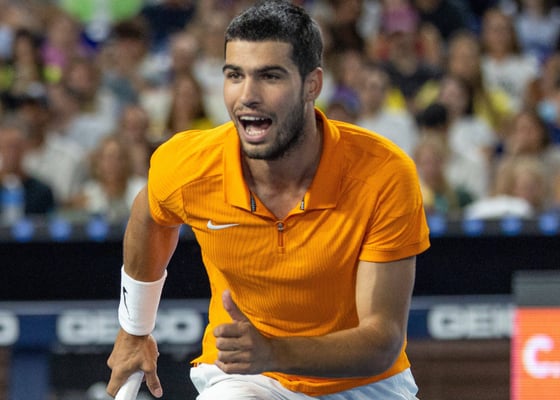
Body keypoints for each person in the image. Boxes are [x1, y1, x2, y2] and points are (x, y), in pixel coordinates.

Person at [106, 2, 430, 399]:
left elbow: (381, 341)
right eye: (234, 75)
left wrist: (274, 351)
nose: (248, 95)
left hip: (365, 382)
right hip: (246, 376)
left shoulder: (384, 173)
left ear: (312, 85)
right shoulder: (188, 164)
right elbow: (149, 216)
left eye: (270, 76)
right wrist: (134, 329)